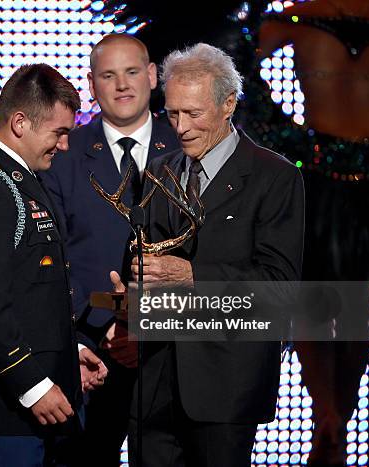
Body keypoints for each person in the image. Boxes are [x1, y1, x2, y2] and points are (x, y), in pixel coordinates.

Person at [115, 43, 305, 466]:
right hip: (155, 382)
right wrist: (128, 299)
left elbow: (279, 286)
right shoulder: (158, 171)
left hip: (226, 386)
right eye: (173, 113)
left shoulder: (273, 177)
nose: (181, 127)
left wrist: (192, 275)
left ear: (228, 105)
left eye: (193, 114)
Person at [0, 63, 108, 467]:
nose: (64, 145)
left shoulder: (22, 180)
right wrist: (32, 384)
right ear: (21, 122)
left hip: (36, 405)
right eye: (58, 133)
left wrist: (69, 352)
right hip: (2, 410)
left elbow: (34, 294)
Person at [41, 33, 179, 466]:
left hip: (170, 355)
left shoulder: (187, 147)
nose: (122, 85)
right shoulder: (63, 152)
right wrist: (104, 329)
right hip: (86, 353)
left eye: (132, 72)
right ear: (92, 84)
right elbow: (49, 253)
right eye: (108, 75)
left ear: (153, 76)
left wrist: (147, 328)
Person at [257, 2, 369, 465]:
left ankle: (334, 421)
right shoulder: (301, 14)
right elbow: (236, 64)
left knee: (351, 309)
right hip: (320, 177)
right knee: (314, 303)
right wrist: (279, 132)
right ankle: (330, 418)